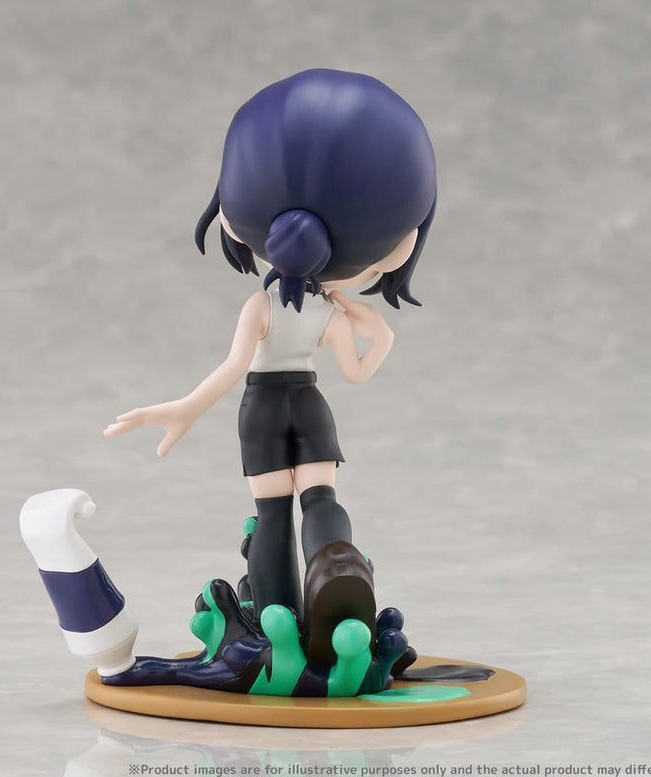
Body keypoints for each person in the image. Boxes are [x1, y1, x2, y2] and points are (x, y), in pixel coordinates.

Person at [104, 69, 436, 667]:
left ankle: (278, 616)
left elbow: (234, 367)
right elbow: (356, 375)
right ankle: (336, 568)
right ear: (396, 249)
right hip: (310, 402)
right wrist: (383, 335)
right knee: (321, 497)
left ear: (235, 220)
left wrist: (185, 408)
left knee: (273, 513)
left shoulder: (259, 306)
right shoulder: (333, 314)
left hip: (260, 407)